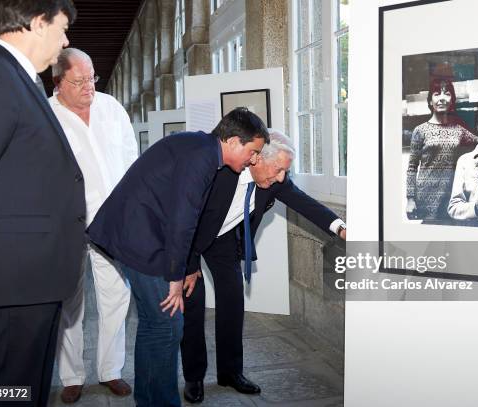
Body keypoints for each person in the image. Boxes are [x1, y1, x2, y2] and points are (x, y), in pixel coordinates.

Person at [87, 107, 269, 407]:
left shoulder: (200, 146)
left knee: (154, 323)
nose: (253, 159)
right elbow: (182, 219)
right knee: (167, 325)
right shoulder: (203, 158)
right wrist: (175, 275)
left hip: (134, 234)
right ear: (235, 141)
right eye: (253, 151)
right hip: (138, 239)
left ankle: (149, 399)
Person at [0, 1, 84, 406]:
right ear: (37, 22)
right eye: (63, 28)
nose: (66, 41)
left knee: (26, 393)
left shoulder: (18, 78)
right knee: (8, 396)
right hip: (14, 281)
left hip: (32, 278)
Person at [180, 130, 346, 403]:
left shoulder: (276, 181)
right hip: (191, 239)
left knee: (232, 302)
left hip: (224, 241)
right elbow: (188, 215)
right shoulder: (220, 172)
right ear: (257, 160)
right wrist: (188, 263)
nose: (281, 177)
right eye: (278, 169)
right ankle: (194, 377)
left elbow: (305, 203)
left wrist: (341, 228)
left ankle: (231, 373)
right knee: (193, 304)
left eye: (285, 171)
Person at [49, 48, 138, 403]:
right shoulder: (46, 114)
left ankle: (111, 370)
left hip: (113, 221)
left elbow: (131, 159)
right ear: (58, 82)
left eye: (92, 78)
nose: (89, 86)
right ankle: (71, 376)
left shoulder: (111, 108)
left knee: (117, 295)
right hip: (67, 224)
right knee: (70, 303)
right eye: (79, 80)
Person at [406, 76, 478, 223]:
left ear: (452, 100)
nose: (442, 98)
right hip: (426, 196)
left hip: (451, 195)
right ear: (430, 100)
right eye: (437, 93)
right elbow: (412, 168)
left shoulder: (459, 130)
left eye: (447, 93)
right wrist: (410, 199)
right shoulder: (420, 130)